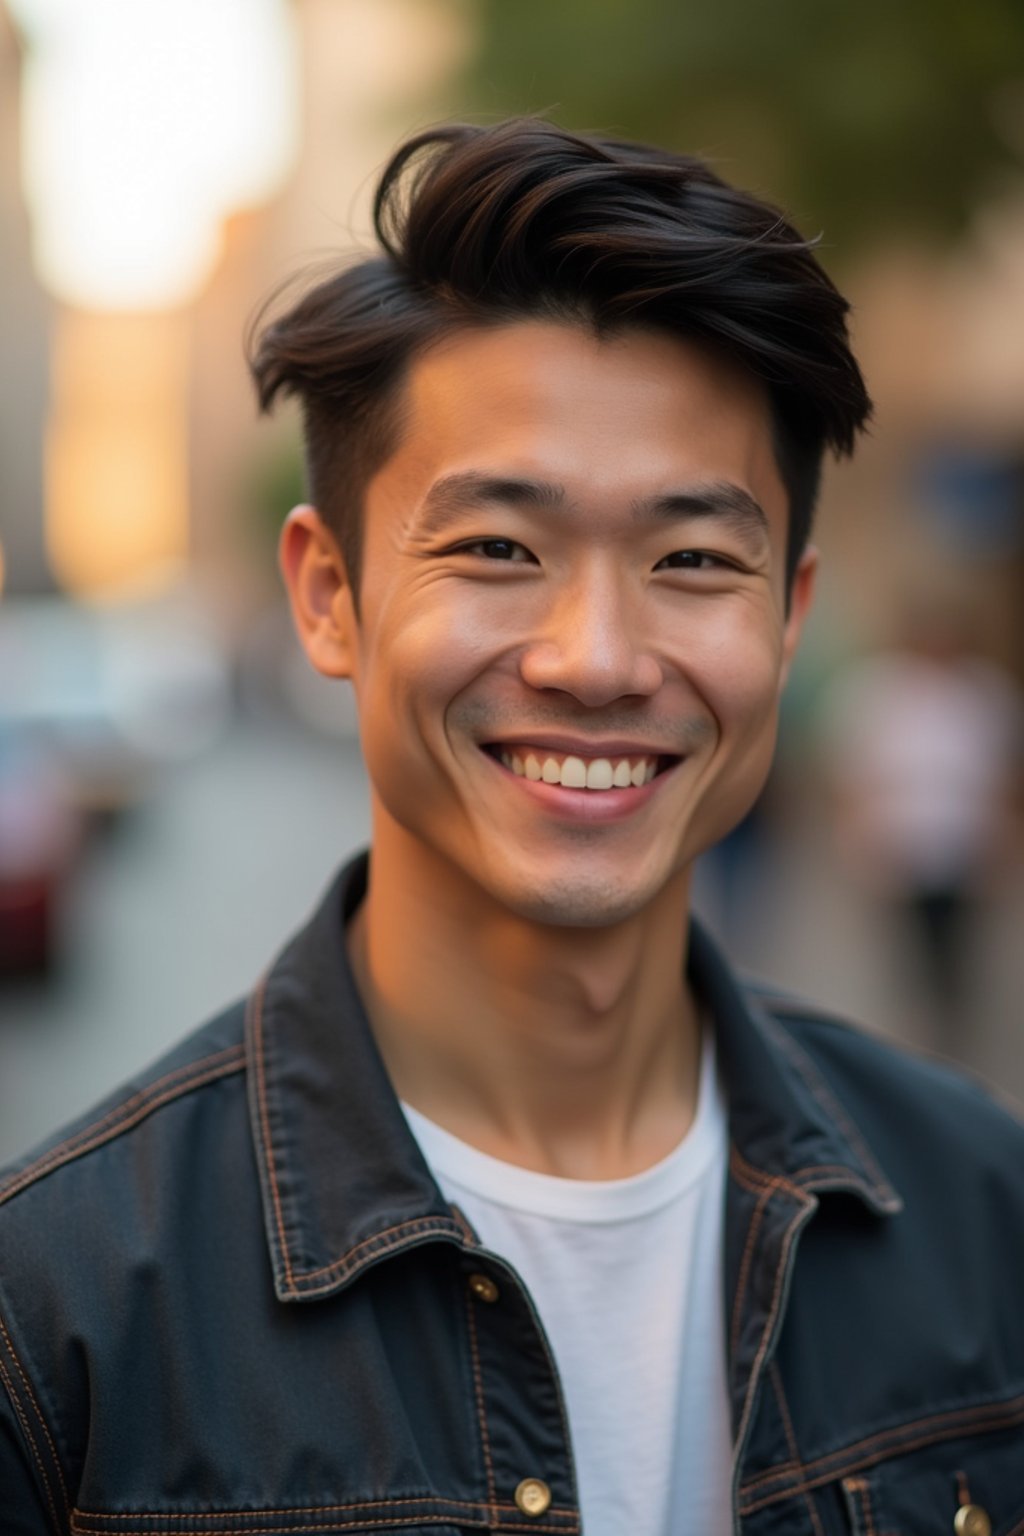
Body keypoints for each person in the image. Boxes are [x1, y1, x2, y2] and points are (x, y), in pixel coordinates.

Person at [2, 119, 1023, 1536]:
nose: (596, 657)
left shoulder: (983, 1206)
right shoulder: (56, 1314)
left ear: (787, 620)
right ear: (328, 596)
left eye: (692, 559)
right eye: (497, 548)